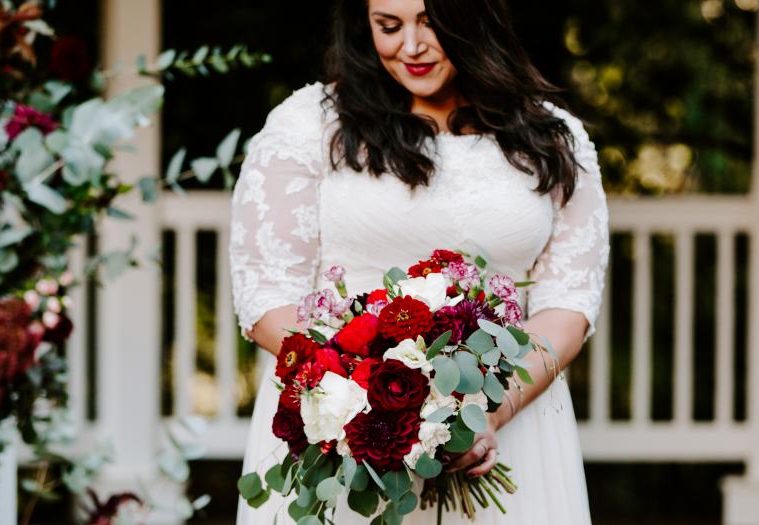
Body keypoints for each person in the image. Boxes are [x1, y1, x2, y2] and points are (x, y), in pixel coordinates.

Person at [230, 0, 607, 522]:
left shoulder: (553, 138)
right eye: (389, 26)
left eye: (430, 23)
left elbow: (568, 302)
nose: (410, 47)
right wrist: (365, 393)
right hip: (342, 433)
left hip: (511, 425)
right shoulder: (308, 126)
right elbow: (265, 292)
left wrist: (488, 414)